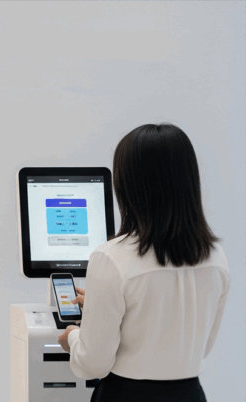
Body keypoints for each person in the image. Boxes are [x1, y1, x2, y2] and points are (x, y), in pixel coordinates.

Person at [58, 123, 230, 402]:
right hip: (190, 395)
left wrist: (74, 337)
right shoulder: (215, 257)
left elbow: (93, 364)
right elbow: (197, 345)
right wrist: (103, 310)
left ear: (128, 185)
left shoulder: (111, 257)